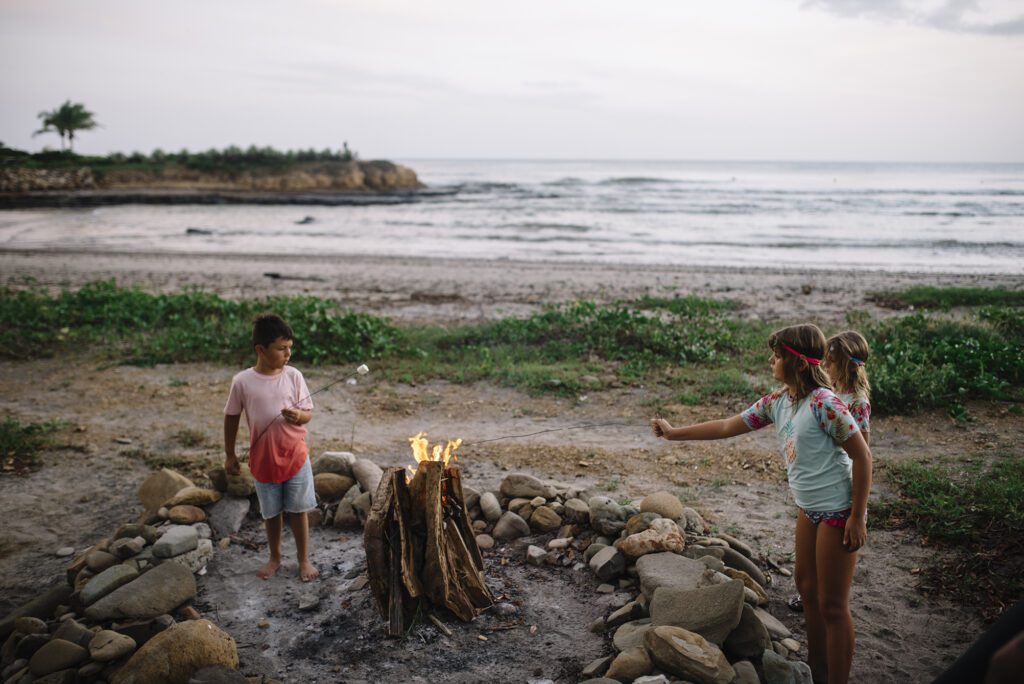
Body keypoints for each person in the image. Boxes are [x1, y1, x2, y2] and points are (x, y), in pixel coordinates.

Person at [651, 323, 872, 684]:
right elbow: (726, 426)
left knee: (832, 605)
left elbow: (863, 458)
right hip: (807, 508)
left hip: (837, 511)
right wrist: (675, 433)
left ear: (798, 362)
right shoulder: (778, 402)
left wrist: (858, 517)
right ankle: (818, 673)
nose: (772, 360)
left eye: (778, 355)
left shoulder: (825, 404)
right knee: (807, 590)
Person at [224, 313, 319, 582]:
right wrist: (230, 454)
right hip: (263, 459)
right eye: (281, 348)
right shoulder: (242, 381)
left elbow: (308, 412)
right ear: (260, 350)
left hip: (295, 456)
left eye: (290, 347)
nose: (288, 353)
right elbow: (231, 417)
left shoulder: (294, 376)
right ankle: (275, 557)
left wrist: (299, 416)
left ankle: (303, 559)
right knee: (272, 512)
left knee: (299, 510)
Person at [789, 329, 872, 612]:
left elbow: (862, 452)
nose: (825, 367)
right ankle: (809, 593)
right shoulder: (830, 394)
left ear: (846, 364)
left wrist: (857, 511)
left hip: (839, 490)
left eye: (830, 362)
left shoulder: (857, 402)